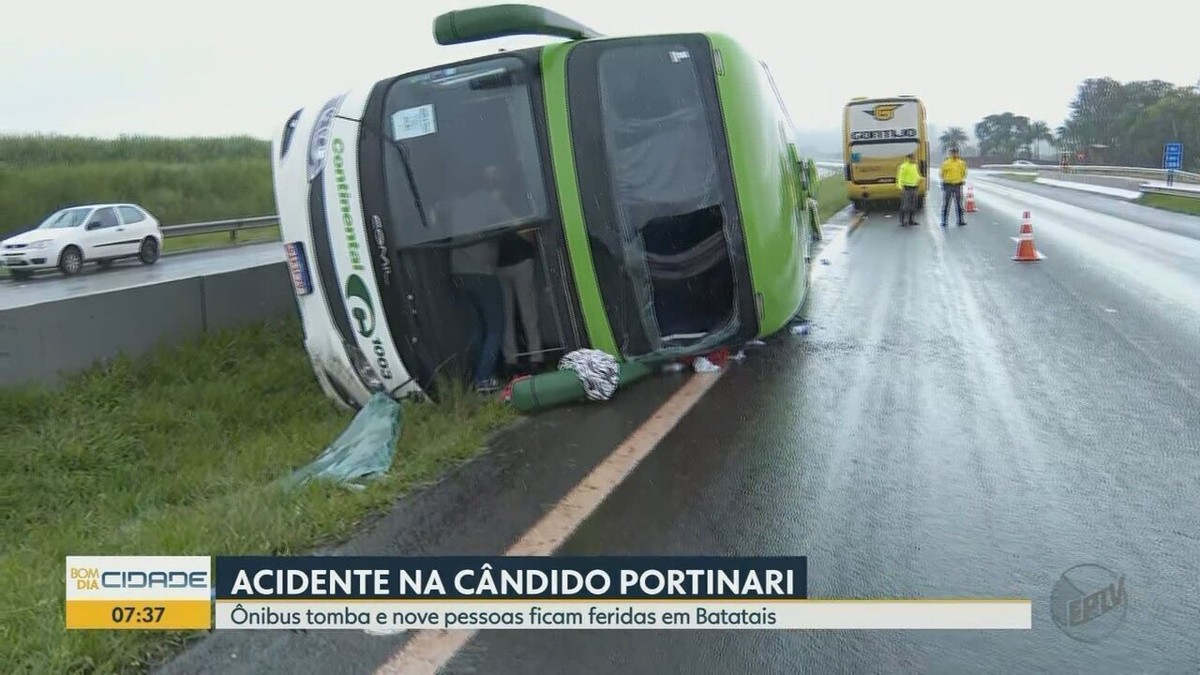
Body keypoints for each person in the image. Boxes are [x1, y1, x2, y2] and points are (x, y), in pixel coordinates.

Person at [449, 182, 510, 394]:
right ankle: (484, 379)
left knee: (477, 329)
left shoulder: (458, 206)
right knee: (495, 328)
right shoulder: (489, 200)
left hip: (458, 274)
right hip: (483, 273)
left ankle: (477, 376)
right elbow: (515, 222)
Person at [497, 228, 545, 374]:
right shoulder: (521, 208)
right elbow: (530, 235)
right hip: (521, 259)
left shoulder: (492, 208)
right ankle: (535, 356)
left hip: (501, 262)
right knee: (527, 311)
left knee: (507, 314)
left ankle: (511, 359)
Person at [939, 147, 968, 227]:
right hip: (948, 185)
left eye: (955, 152)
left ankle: (960, 220)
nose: (954, 154)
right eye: (952, 152)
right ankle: (944, 221)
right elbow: (941, 174)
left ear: (957, 153)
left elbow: (964, 173)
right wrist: (946, 179)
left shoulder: (961, 163)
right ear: (950, 153)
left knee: (959, 204)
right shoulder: (946, 163)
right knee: (946, 204)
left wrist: (960, 179)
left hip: (958, 185)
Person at [896, 153, 922, 226]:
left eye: (914, 158)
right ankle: (902, 221)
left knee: (913, 205)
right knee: (905, 205)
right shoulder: (903, 167)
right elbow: (900, 178)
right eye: (912, 158)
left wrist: (920, 179)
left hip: (914, 188)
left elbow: (916, 175)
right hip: (907, 188)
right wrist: (901, 187)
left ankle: (911, 220)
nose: (914, 159)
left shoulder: (915, 166)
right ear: (908, 158)